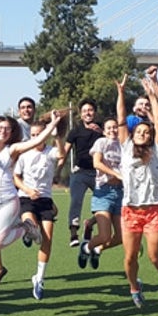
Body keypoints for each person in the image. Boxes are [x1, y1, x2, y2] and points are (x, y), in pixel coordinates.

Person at [0, 95, 51, 285]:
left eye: (7, 129)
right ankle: (25, 227)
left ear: (11, 132)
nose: (3, 131)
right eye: (0, 128)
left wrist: (53, 123)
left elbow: (37, 139)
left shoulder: (13, 149)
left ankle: (25, 228)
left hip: (8, 200)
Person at [117, 71, 158, 310]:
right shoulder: (125, 147)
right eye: (140, 131)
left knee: (154, 256)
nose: (143, 133)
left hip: (153, 211)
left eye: (147, 132)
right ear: (133, 134)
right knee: (130, 257)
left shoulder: (157, 152)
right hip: (130, 211)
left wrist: (153, 94)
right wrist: (121, 93)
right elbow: (121, 118)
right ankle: (134, 287)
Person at [14, 110, 68, 299]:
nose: (36, 138)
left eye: (39, 134)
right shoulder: (23, 154)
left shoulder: (50, 151)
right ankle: (28, 231)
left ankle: (39, 277)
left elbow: (62, 153)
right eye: (33, 135)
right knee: (31, 224)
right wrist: (27, 190)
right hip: (27, 197)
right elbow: (16, 177)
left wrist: (57, 136)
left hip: (45, 199)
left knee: (47, 239)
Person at [78, 116, 124, 271]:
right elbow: (96, 163)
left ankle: (97, 249)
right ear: (104, 131)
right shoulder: (101, 143)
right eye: (109, 128)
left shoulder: (124, 145)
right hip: (103, 191)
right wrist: (115, 174)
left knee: (120, 237)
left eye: (115, 127)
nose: (113, 130)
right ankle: (86, 248)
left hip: (120, 193)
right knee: (104, 235)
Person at [65, 99, 102, 247]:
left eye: (90, 110)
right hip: (80, 172)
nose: (88, 113)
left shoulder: (103, 129)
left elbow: (115, 143)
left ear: (95, 113)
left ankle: (90, 224)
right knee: (76, 201)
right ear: (80, 114)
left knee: (103, 204)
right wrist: (58, 169)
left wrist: (101, 132)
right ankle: (73, 234)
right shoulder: (75, 131)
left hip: (98, 173)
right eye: (85, 111)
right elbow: (65, 151)